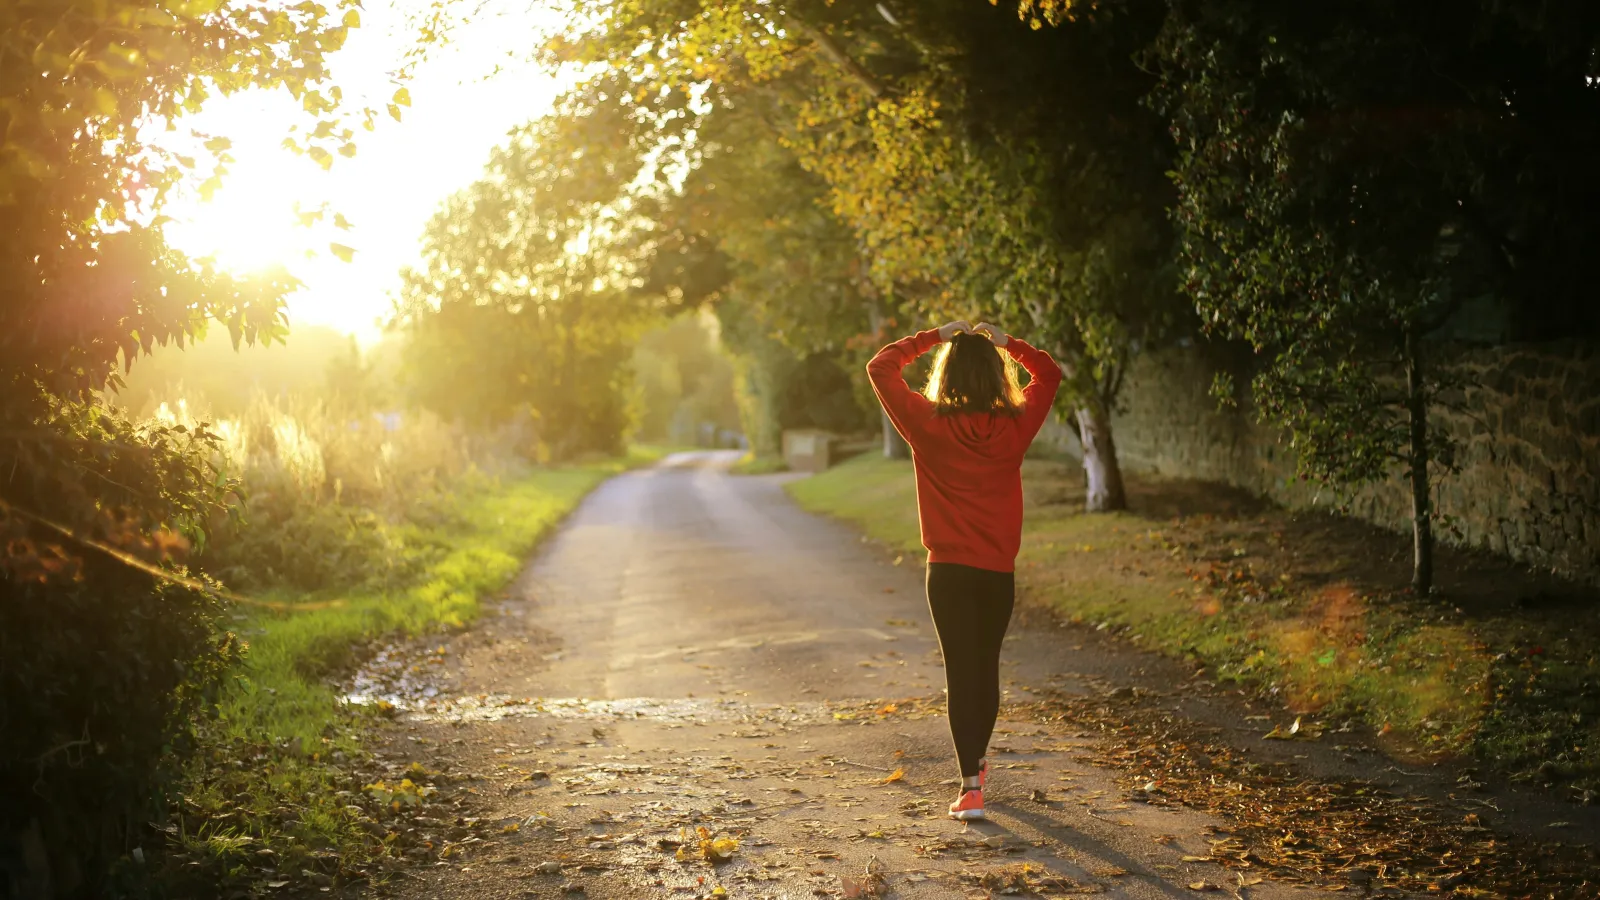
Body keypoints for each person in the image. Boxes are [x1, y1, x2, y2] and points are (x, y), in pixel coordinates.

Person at [866, 319, 1063, 822]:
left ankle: (970, 786)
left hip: (948, 573)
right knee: (986, 668)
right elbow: (1050, 373)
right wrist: (1008, 343)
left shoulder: (926, 423)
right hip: (996, 572)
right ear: (997, 376)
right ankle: (976, 765)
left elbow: (881, 367)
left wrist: (934, 336)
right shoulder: (1016, 426)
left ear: (947, 375)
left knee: (960, 672)